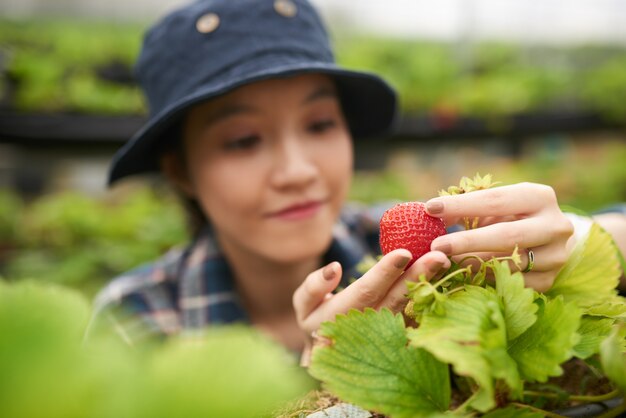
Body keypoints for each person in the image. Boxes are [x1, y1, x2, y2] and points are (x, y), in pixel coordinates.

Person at [90, 0, 626, 354]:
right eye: (243, 140)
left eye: (320, 123)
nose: (298, 171)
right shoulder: (137, 322)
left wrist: (578, 241)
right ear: (181, 170)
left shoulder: (413, 243)